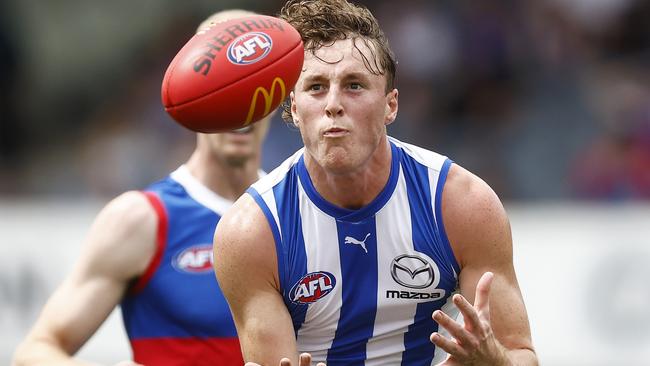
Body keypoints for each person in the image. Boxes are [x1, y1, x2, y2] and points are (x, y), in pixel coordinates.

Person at [213, 0, 538, 365]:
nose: (333, 104)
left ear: (390, 105)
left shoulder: (459, 203)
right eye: (317, 87)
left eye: (354, 85)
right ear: (293, 108)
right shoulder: (252, 232)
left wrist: (492, 357)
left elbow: (521, 354)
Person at [12, 10, 273, 366]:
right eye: (220, 86)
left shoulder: (298, 211)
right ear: (194, 90)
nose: (238, 105)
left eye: (251, 83)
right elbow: (34, 352)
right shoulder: (141, 219)